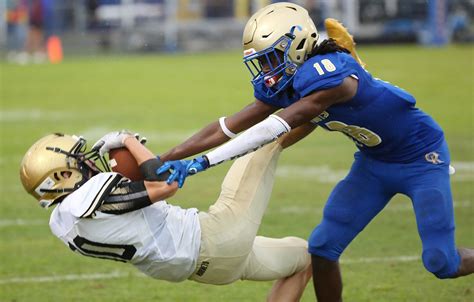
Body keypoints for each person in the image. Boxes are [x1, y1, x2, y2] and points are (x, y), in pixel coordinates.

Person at [156, 2, 474, 301]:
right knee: (322, 249)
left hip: (421, 158)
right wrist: (167, 157)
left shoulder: (326, 74)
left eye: (271, 57)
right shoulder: (293, 80)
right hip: (374, 162)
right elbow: (227, 125)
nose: (265, 69)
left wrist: (203, 163)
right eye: (260, 61)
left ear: (295, 45)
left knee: (441, 262)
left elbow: (276, 125)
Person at [19, 130, 312, 302]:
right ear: (61, 176)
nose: (88, 164)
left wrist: (132, 165)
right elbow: (167, 184)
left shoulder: (63, 221)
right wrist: (129, 141)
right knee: (263, 140)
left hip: (206, 268)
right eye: (79, 162)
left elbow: (124, 210)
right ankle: (331, 98)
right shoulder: (84, 199)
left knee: (305, 257)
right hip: (216, 239)